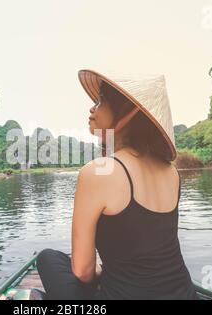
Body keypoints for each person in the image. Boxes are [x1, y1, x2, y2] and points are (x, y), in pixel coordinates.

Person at [37, 69, 198, 300]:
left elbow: (82, 272)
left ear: (129, 113)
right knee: (55, 259)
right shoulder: (172, 172)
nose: (92, 108)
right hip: (184, 294)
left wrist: (98, 272)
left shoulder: (97, 173)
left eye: (101, 101)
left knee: (46, 258)